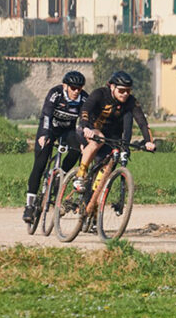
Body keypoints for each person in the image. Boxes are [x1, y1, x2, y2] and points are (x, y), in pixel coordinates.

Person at [22, 70, 89, 223]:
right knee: (39, 164)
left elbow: (85, 119)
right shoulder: (56, 94)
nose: (76, 91)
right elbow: (46, 113)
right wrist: (44, 134)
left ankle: (61, 175)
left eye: (79, 88)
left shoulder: (84, 98)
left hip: (68, 131)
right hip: (50, 128)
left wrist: (84, 141)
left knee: (79, 149)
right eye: (72, 87)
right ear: (65, 86)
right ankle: (29, 206)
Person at [73, 71, 155, 191]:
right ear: (112, 87)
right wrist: (85, 127)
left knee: (110, 164)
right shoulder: (100, 94)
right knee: (97, 140)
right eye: (121, 91)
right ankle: (80, 176)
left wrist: (148, 141)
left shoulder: (131, 101)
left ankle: (93, 199)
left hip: (110, 137)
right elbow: (85, 109)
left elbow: (142, 121)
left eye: (128, 90)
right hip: (89, 129)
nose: (125, 94)